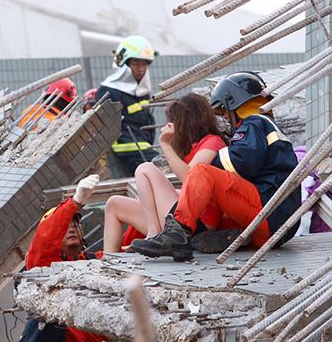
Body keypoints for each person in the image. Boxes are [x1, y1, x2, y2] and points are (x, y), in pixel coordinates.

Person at [130, 72, 302, 261]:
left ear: (234, 103)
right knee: (213, 195)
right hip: (275, 223)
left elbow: (241, 162)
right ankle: (230, 235)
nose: (227, 120)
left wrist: (207, 168)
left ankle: (177, 235)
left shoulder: (254, 123)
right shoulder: (265, 125)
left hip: (269, 216)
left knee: (201, 171)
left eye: (225, 113)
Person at [102, 93, 231, 252]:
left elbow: (191, 178)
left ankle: (153, 233)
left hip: (200, 224)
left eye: (174, 121)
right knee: (114, 204)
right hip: (182, 218)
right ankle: (108, 261)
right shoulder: (192, 145)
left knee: (145, 168)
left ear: (187, 120)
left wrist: (165, 144)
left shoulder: (213, 141)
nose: (171, 125)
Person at [19, 174, 108, 342]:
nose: (72, 228)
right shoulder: (44, 268)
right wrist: (76, 201)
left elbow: (123, 254)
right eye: (65, 226)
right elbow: (45, 238)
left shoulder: (90, 262)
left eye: (75, 224)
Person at [96, 35, 158, 177]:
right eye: (136, 64)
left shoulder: (142, 91)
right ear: (123, 63)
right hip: (125, 148)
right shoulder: (108, 91)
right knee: (160, 171)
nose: (141, 69)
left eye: (144, 64)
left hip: (143, 146)